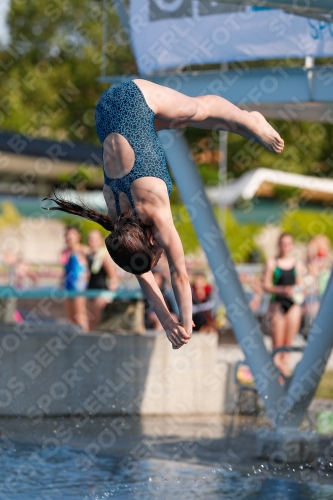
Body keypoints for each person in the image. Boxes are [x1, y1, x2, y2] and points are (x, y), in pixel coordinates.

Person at [45, 79, 284, 349]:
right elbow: (143, 275)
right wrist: (167, 322)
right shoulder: (120, 225)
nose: (160, 258)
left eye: (155, 256)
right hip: (105, 111)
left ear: (149, 241)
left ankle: (251, 120)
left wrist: (184, 321)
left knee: (199, 109)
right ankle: (239, 124)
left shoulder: (155, 210)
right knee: (178, 122)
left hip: (134, 98)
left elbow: (179, 274)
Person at [262, 233, 303, 379]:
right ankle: (277, 380)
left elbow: (299, 284)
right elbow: (266, 285)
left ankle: (284, 377)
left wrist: (296, 290)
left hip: (292, 305)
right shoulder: (272, 263)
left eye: (288, 244)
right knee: (278, 347)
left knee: (288, 346)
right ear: (278, 245)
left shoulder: (296, 263)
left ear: (291, 246)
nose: (285, 247)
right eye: (282, 243)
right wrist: (282, 290)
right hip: (277, 304)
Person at [86, 229, 119, 331]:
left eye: (95, 239)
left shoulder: (104, 256)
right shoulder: (89, 255)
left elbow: (114, 279)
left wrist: (107, 296)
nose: (92, 241)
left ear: (100, 240)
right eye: (90, 239)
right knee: (90, 323)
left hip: (100, 293)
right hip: (90, 292)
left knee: (99, 322)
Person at [61, 226, 89, 332]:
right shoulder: (65, 252)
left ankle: (86, 339)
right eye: (68, 234)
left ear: (78, 236)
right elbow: (66, 271)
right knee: (70, 319)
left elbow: (94, 264)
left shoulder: (83, 250)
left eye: (72, 234)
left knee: (80, 317)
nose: (69, 237)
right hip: (68, 288)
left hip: (79, 289)